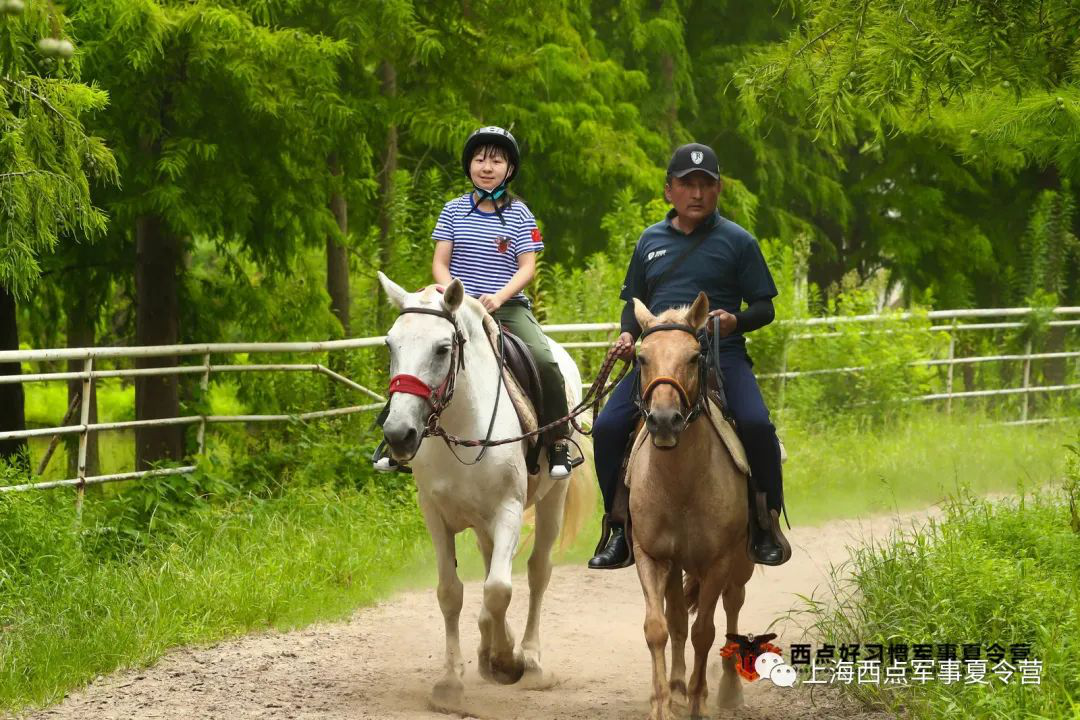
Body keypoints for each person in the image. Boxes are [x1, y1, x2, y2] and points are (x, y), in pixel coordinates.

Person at [587, 142, 790, 568]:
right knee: (606, 427)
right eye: (687, 184)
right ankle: (619, 526)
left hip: (720, 353)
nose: (696, 193)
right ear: (669, 191)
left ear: (718, 191)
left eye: (706, 184)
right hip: (659, 356)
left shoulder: (739, 241)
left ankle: (764, 522)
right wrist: (628, 335)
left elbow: (765, 308)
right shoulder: (649, 241)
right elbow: (633, 301)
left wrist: (735, 321)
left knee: (755, 423)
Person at [373, 126, 576, 478]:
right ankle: (392, 437)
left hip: (506, 307)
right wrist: (450, 292)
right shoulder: (452, 211)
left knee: (544, 360)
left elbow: (527, 268)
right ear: (469, 166)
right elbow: (440, 262)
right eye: (480, 159)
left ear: (509, 169)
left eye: (496, 160)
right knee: (415, 352)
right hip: (456, 305)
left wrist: (498, 297)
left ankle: (558, 441)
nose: (487, 166)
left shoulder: (521, 214)